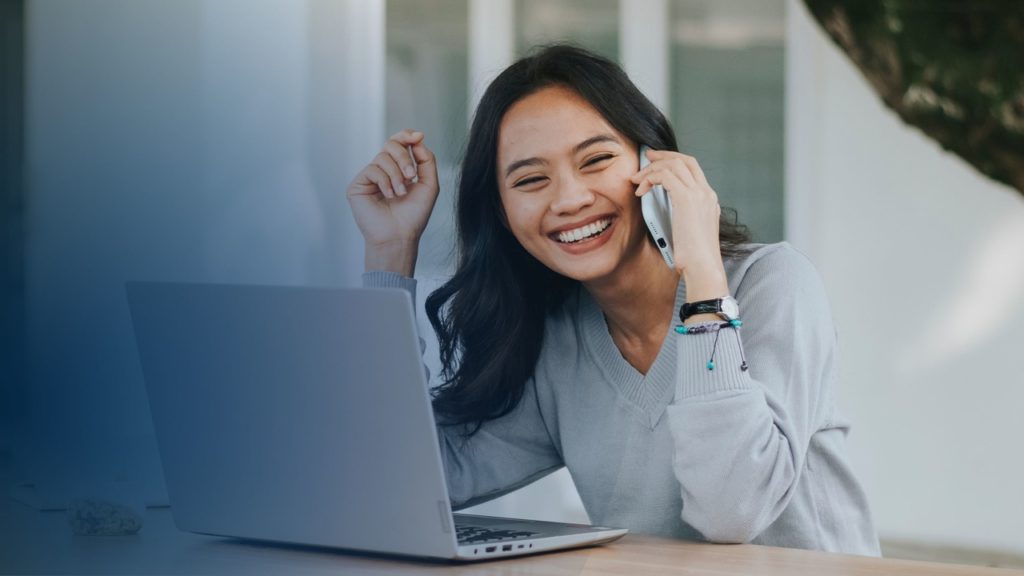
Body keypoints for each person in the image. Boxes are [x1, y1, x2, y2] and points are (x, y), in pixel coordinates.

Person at [346, 44, 880, 555]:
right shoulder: (558, 341)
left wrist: (703, 279)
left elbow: (732, 510)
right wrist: (390, 253)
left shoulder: (773, 285)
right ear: (503, 214)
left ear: (654, 163)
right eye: (531, 179)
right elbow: (397, 479)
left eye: (596, 160)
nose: (571, 199)